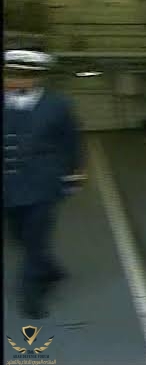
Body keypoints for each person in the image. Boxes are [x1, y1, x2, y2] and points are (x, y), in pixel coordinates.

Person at [3, 47, 84, 319]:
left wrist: (74, 174)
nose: (15, 79)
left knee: (35, 239)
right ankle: (49, 268)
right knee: (19, 237)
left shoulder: (57, 105)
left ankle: (31, 294)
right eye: (11, 73)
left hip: (42, 184)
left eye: (23, 74)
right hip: (7, 186)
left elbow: (71, 141)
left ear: (37, 76)